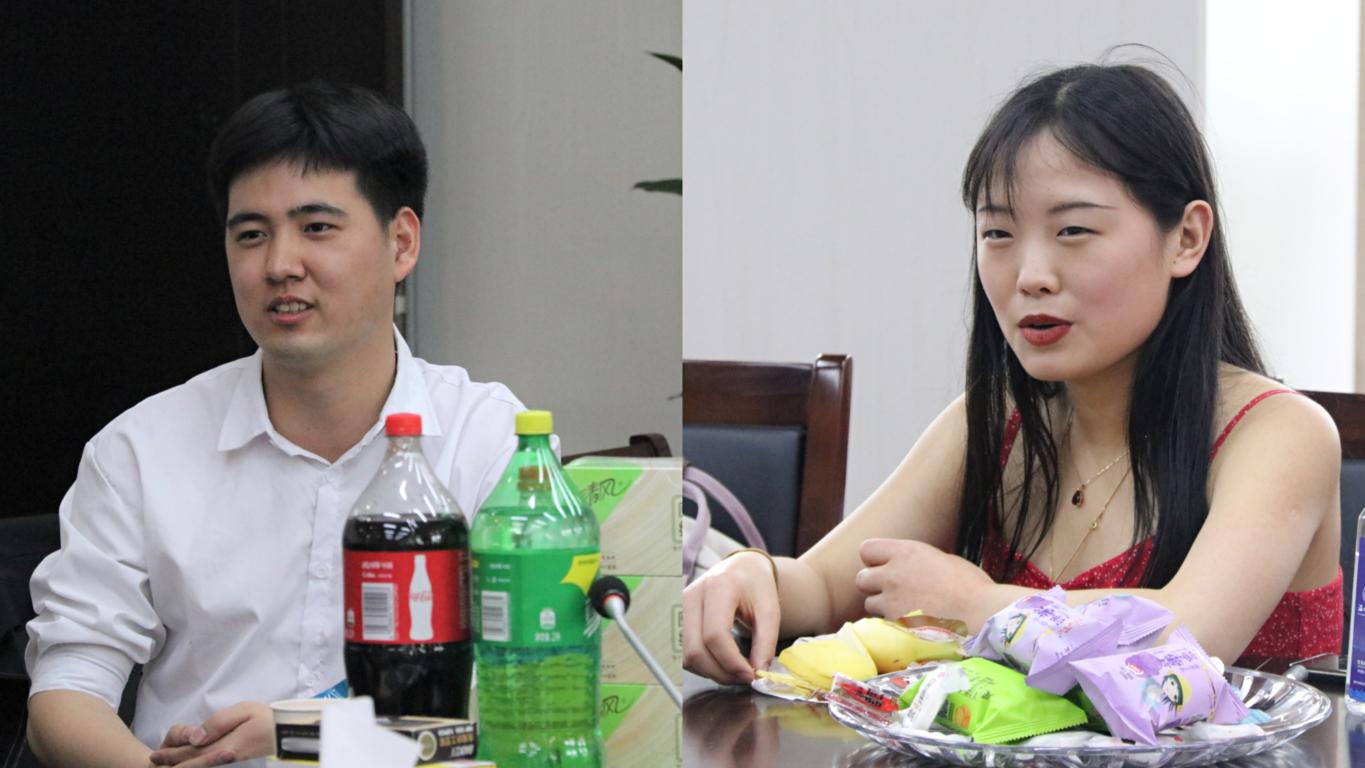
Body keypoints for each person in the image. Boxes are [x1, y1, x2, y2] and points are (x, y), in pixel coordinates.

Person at [683, 62, 1343, 686]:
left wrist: (980, 605)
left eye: (1073, 230)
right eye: (997, 234)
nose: (1030, 276)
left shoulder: (1280, 433)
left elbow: (1188, 639)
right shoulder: (999, 421)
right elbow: (829, 584)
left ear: (1186, 239)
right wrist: (748, 575)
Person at [25, 82, 529, 767]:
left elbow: (524, 698)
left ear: (402, 242)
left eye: (316, 228)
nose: (279, 266)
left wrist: (307, 733)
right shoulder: (141, 450)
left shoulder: (490, 439)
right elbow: (67, 692)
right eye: (251, 235)